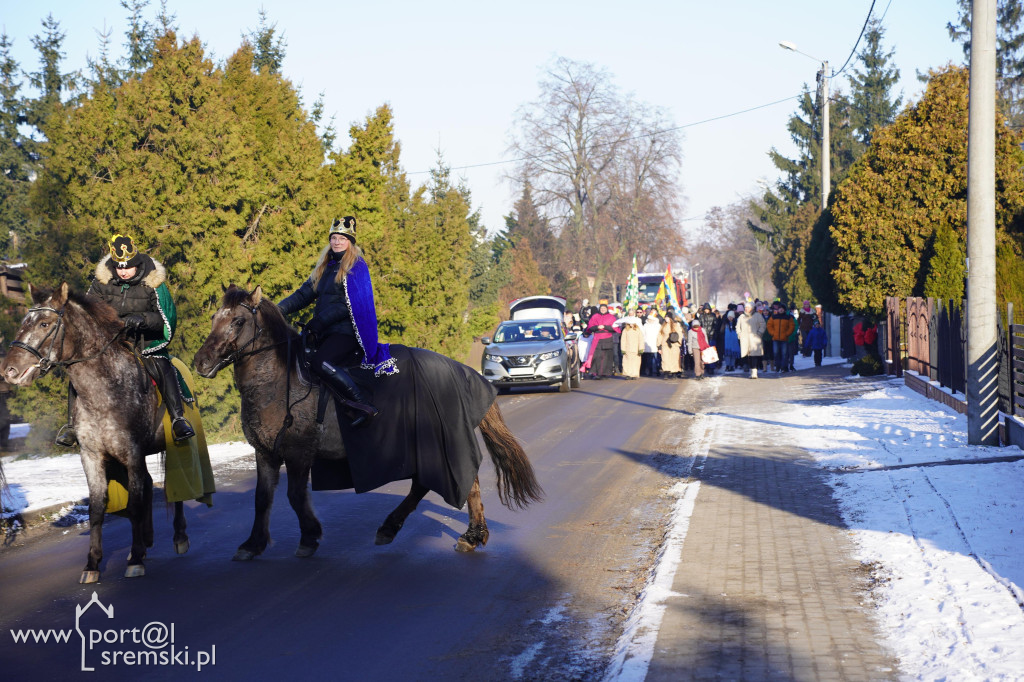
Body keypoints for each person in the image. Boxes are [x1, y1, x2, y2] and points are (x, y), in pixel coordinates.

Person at [56, 234, 195, 446]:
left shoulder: (153, 283)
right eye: (118, 267)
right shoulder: (101, 283)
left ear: (137, 263)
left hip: (144, 341)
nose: (122, 271)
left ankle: (178, 419)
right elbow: (88, 313)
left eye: (127, 267)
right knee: (79, 369)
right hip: (110, 343)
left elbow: (165, 318)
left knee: (162, 364)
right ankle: (71, 426)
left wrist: (143, 319)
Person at [277, 216, 396, 427]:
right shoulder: (325, 266)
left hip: (347, 333)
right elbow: (303, 295)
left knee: (320, 362)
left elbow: (349, 305)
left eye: (342, 238)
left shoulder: (356, 267)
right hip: (324, 332)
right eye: (334, 237)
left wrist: (320, 321)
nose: (337, 242)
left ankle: (361, 404)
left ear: (350, 241)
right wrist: (276, 309)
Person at [583, 302, 619, 379]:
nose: (603, 310)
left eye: (604, 308)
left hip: (607, 339)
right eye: (601, 308)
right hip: (597, 339)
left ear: (607, 309)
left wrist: (605, 326)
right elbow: (590, 327)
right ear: (599, 309)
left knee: (607, 357)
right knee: (597, 357)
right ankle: (597, 373)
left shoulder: (611, 317)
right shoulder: (595, 316)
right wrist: (597, 327)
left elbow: (615, 328)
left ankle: (606, 373)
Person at [736, 302, 766, 379]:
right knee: (747, 355)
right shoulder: (741, 317)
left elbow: (763, 324)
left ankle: (754, 372)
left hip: (755, 338)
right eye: (745, 307)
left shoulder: (757, 316)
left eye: (748, 307)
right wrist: (739, 334)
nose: (746, 309)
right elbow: (737, 327)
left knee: (754, 355)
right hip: (745, 339)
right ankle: (751, 370)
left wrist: (759, 333)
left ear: (752, 308)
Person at [767, 303, 794, 373]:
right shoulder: (773, 317)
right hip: (775, 338)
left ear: (784, 310)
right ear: (778, 309)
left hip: (784, 339)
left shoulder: (788, 317)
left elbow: (792, 326)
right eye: (780, 308)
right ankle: (778, 366)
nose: (781, 310)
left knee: (784, 354)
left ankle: (784, 367)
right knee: (776, 353)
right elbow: (769, 325)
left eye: (782, 308)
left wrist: (787, 334)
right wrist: (773, 333)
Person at [657, 311, 685, 378]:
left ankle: (674, 372)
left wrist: (678, 342)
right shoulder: (663, 326)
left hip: (674, 344)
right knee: (665, 359)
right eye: (665, 317)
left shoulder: (676, 325)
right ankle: (666, 372)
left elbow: (680, 334)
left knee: (674, 359)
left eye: (667, 317)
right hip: (665, 344)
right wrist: (659, 346)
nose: (666, 319)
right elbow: (660, 335)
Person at [641, 309, 662, 377]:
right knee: (649, 360)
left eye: (651, 319)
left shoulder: (658, 326)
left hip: (655, 344)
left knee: (656, 359)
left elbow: (660, 335)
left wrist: (659, 345)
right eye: (649, 319)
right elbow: (643, 335)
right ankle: (650, 371)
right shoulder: (645, 326)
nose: (650, 320)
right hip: (647, 345)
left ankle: (657, 370)